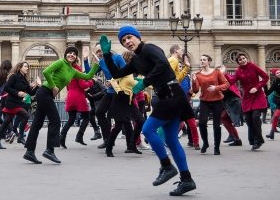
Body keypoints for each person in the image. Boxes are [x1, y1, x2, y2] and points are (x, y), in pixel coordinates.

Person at [100, 26, 196, 196]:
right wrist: (107, 55)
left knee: (147, 129)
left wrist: (144, 83)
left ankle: (167, 166)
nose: (127, 42)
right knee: (172, 140)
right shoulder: (136, 60)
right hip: (168, 95)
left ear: (138, 37)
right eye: (123, 41)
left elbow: (162, 64)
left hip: (171, 93)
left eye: (129, 37)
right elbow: (117, 73)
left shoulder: (150, 48)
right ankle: (187, 179)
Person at [23, 47, 99, 164]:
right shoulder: (60, 62)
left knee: (37, 123)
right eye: (70, 53)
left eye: (74, 54)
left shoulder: (72, 70)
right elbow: (46, 72)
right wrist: (53, 86)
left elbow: (87, 77)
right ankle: (50, 150)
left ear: (75, 57)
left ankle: (29, 152)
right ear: (65, 54)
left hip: (47, 94)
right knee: (56, 120)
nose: (72, 55)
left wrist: (96, 65)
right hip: (44, 92)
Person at [84, 44, 126, 149]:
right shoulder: (102, 62)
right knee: (99, 112)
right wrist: (85, 60)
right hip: (110, 91)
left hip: (120, 91)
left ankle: (131, 143)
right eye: (97, 51)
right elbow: (89, 74)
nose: (99, 53)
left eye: (101, 50)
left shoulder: (117, 57)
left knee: (121, 117)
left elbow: (126, 72)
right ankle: (107, 140)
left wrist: (114, 81)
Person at [0, 62, 39, 149]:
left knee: (6, 122)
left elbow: (31, 92)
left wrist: (38, 85)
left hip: (18, 102)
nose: (27, 68)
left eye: (27, 67)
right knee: (25, 115)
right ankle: (20, 137)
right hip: (11, 102)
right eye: (25, 66)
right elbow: (6, 88)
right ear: (20, 67)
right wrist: (17, 93)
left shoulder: (24, 79)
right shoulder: (14, 76)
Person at [191, 55, 229, 155]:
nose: (202, 61)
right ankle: (206, 143)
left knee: (216, 125)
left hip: (217, 101)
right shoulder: (198, 74)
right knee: (202, 123)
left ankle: (216, 147)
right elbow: (195, 90)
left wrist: (216, 88)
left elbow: (226, 84)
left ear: (209, 61)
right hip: (204, 101)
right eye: (201, 60)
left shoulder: (216, 72)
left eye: (204, 60)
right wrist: (194, 80)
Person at [230, 53, 268, 150]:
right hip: (247, 97)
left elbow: (265, 77)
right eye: (240, 59)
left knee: (255, 117)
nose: (243, 60)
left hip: (257, 95)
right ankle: (254, 140)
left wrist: (257, 87)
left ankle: (258, 140)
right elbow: (232, 81)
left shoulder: (253, 66)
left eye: (244, 58)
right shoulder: (238, 71)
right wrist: (223, 74)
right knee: (249, 120)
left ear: (246, 58)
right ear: (238, 62)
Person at [168, 44, 200, 150]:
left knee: (181, 121)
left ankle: (194, 141)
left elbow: (177, 78)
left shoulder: (174, 61)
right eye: (181, 49)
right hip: (177, 95)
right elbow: (170, 77)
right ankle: (195, 141)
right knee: (187, 120)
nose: (182, 51)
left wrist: (186, 67)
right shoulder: (173, 60)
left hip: (179, 96)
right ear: (176, 51)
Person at [60, 59, 93, 148]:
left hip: (70, 95)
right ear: (77, 62)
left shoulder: (67, 70)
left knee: (71, 119)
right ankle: (79, 136)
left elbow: (67, 86)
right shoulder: (77, 69)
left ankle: (62, 137)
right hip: (78, 96)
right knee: (86, 117)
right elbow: (83, 85)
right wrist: (91, 81)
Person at [265, 69, 280, 139]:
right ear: (275, 75)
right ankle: (272, 133)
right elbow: (268, 92)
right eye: (277, 73)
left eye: (279, 72)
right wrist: (264, 86)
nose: (278, 73)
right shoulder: (275, 82)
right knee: (275, 116)